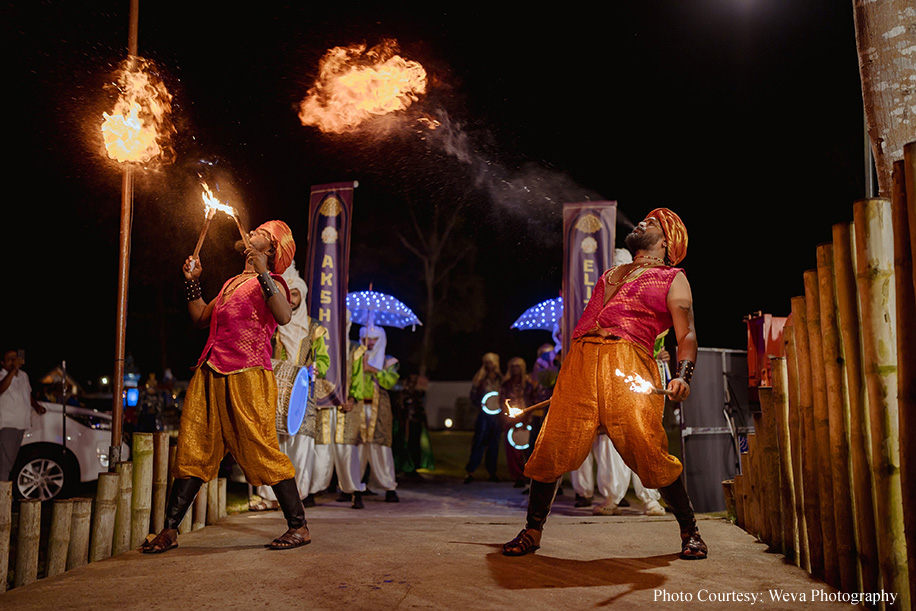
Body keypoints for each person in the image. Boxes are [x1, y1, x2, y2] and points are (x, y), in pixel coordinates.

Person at [502, 208, 705, 560]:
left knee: (648, 450)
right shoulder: (610, 274)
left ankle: (690, 531)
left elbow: (686, 333)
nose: (642, 222)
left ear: (666, 241)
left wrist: (682, 376)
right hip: (580, 363)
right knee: (551, 445)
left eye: (653, 223)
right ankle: (532, 531)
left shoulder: (673, 278)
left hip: (626, 362)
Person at [142, 220, 310, 553]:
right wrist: (192, 283)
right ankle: (169, 530)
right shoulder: (232, 282)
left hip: (248, 375)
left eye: (262, 233)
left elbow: (284, 316)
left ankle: (298, 526)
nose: (252, 233)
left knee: (261, 449)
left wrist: (264, 273)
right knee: (194, 448)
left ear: (271, 249)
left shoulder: (273, 282)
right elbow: (201, 316)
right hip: (211, 372)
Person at [251, 261, 330, 510]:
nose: (291, 299)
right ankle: (267, 497)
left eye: (294, 294)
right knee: (273, 443)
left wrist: (318, 369)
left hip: (304, 394)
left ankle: (295, 498)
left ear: (302, 295)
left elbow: (324, 359)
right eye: (287, 294)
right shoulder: (273, 323)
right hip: (275, 390)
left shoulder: (315, 328)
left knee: (302, 444)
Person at [354, 325, 400, 503]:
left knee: (380, 446)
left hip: (379, 409)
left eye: (374, 339)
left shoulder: (389, 361)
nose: (370, 342)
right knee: (357, 447)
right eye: (366, 338)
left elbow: (390, 382)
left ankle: (388, 486)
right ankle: (354, 486)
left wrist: (372, 369)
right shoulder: (355, 357)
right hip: (358, 407)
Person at [0, 350, 46, 481]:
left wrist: (36, 406)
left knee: (11, 463)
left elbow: (28, 394)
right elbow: (1, 389)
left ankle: (5, 493)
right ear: (2, 362)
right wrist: (14, 369)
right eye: (10, 359)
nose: (14, 361)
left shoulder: (24, 375)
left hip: (21, 424)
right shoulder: (2, 375)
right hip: (7, 425)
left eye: (15, 358)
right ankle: (3, 497)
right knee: (4, 464)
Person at [464, 353, 503, 484]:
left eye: (491, 362)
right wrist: (481, 403)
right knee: (479, 442)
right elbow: (473, 395)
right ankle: (470, 471)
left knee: (494, 444)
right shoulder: (480, 378)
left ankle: (492, 472)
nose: (489, 365)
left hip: (496, 415)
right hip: (484, 415)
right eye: (486, 362)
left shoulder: (500, 379)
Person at [501, 357, 535, 488]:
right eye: (513, 366)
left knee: (529, 450)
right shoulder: (506, 385)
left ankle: (529, 477)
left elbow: (532, 401)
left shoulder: (528, 385)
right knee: (512, 452)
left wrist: (526, 420)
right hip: (511, 422)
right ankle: (518, 477)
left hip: (527, 421)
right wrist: (509, 420)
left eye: (518, 366)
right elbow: (502, 402)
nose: (515, 369)